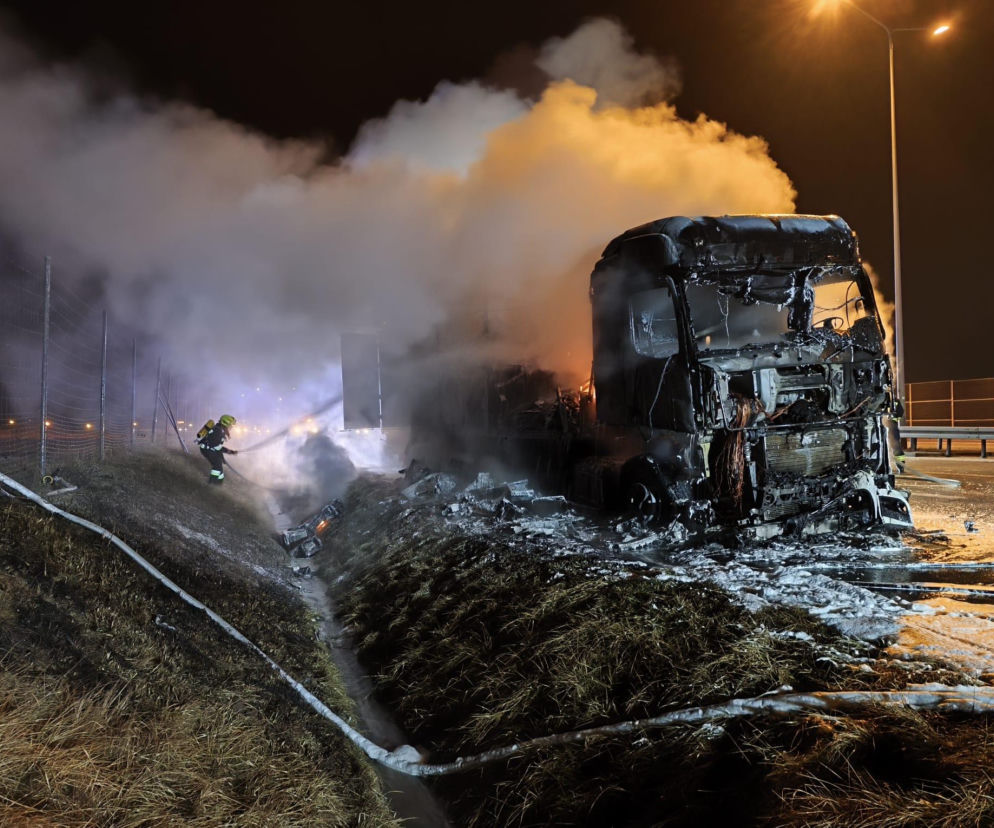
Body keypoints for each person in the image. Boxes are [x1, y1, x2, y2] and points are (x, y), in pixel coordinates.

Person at [196, 414, 238, 484]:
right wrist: (230, 452)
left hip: (210, 449)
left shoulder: (220, 430)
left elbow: (218, 448)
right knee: (217, 466)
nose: (231, 427)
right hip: (207, 450)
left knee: (220, 469)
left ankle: (219, 484)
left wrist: (228, 453)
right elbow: (218, 448)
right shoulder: (218, 432)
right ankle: (211, 486)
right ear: (226, 424)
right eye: (231, 425)